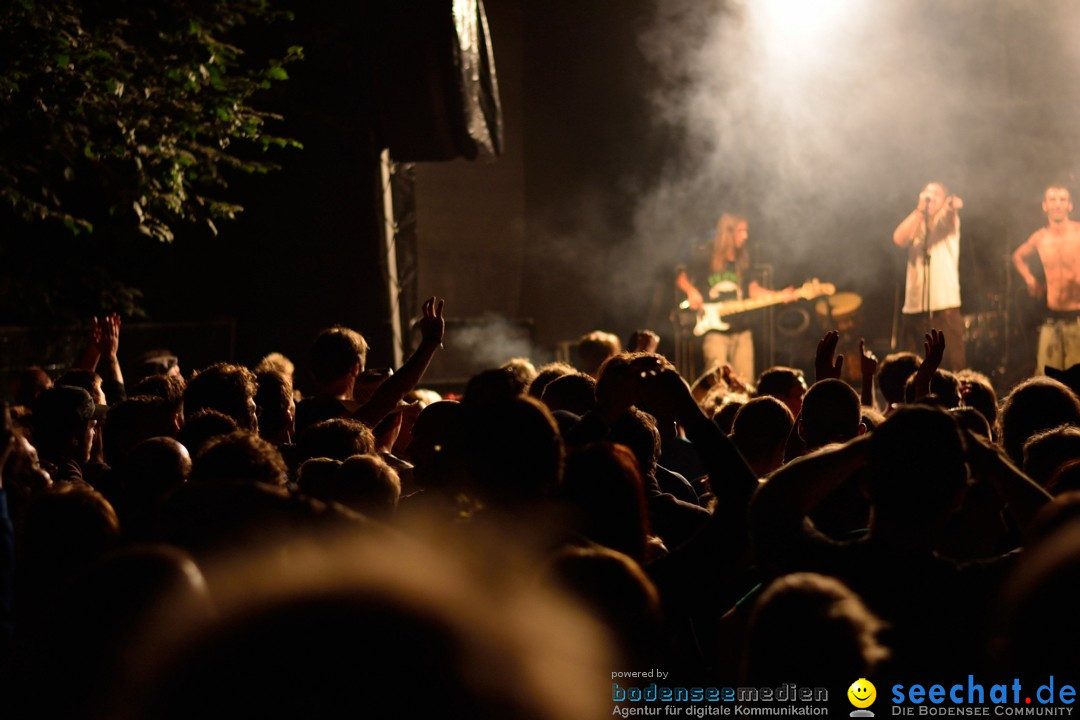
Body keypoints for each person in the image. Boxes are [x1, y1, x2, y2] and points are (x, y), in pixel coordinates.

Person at [675, 213, 791, 380]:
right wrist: (692, 292)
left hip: (742, 330)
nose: (746, 236)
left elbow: (753, 290)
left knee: (745, 382)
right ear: (728, 232)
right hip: (714, 331)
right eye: (741, 231)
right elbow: (681, 278)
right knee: (717, 380)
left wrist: (780, 295)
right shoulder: (706, 257)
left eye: (746, 231)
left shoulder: (743, 259)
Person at [893, 181, 965, 370]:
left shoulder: (946, 222)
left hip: (943, 310)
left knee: (949, 369)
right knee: (912, 370)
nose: (930, 197)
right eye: (926, 192)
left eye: (936, 194)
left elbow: (951, 212)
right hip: (914, 310)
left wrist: (951, 206)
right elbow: (898, 239)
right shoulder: (916, 223)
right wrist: (919, 211)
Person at [1012, 184, 1080, 373]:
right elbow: (1017, 257)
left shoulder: (1078, 233)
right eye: (1052, 199)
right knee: (1045, 377)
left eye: (1062, 199)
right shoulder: (1040, 237)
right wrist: (1030, 279)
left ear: (1070, 205)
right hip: (1051, 318)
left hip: (1077, 318)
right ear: (1045, 205)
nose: (1057, 204)